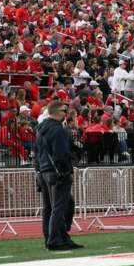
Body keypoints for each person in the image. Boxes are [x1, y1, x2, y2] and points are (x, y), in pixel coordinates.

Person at [35, 100, 83, 250]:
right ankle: (56, 239)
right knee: (60, 207)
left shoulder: (40, 129)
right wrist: (64, 171)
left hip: (43, 171)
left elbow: (36, 153)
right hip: (56, 172)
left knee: (51, 207)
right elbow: (60, 154)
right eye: (64, 111)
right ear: (56, 112)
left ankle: (55, 237)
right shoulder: (58, 130)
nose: (66, 114)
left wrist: (38, 172)